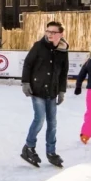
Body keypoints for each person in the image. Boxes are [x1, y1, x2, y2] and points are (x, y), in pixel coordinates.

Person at [20, 21, 69, 168]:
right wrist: (25, 83)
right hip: (38, 89)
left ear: (60, 34)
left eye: (54, 32)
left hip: (52, 91)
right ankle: (29, 147)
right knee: (40, 119)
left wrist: (61, 91)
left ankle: (51, 152)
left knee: (52, 123)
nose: (50, 34)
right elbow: (28, 64)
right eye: (48, 31)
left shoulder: (63, 51)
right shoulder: (38, 46)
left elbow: (63, 73)